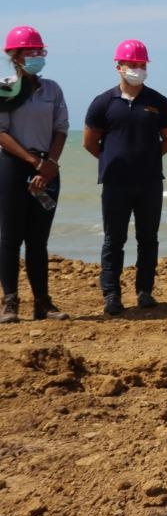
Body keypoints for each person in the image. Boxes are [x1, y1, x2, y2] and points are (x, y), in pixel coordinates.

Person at [83, 39, 167, 316]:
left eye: (141, 64)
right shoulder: (103, 102)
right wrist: (113, 161)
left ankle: (144, 291)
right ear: (119, 67)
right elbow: (90, 142)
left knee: (148, 239)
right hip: (115, 183)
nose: (137, 69)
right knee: (114, 240)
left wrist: (145, 160)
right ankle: (111, 294)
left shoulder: (158, 102)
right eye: (132, 64)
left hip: (150, 182)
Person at [0, 26, 69, 323]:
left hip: (47, 166)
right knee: (9, 238)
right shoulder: (4, 88)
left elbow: (61, 128)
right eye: (31, 51)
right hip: (13, 166)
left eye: (40, 51)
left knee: (38, 240)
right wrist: (32, 162)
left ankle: (42, 303)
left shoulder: (52, 89)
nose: (37, 56)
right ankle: (10, 302)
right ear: (15, 56)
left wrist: (49, 163)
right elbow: (1, 132)